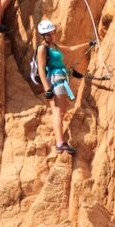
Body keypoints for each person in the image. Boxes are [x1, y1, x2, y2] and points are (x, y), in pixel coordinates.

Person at [35, 19, 84, 155]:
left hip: (60, 78)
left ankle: (60, 142)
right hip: (55, 80)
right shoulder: (42, 49)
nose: (51, 36)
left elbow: (69, 50)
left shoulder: (54, 46)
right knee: (58, 112)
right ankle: (60, 143)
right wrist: (46, 89)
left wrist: (89, 44)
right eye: (48, 34)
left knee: (60, 111)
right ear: (43, 36)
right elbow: (40, 69)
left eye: (53, 33)